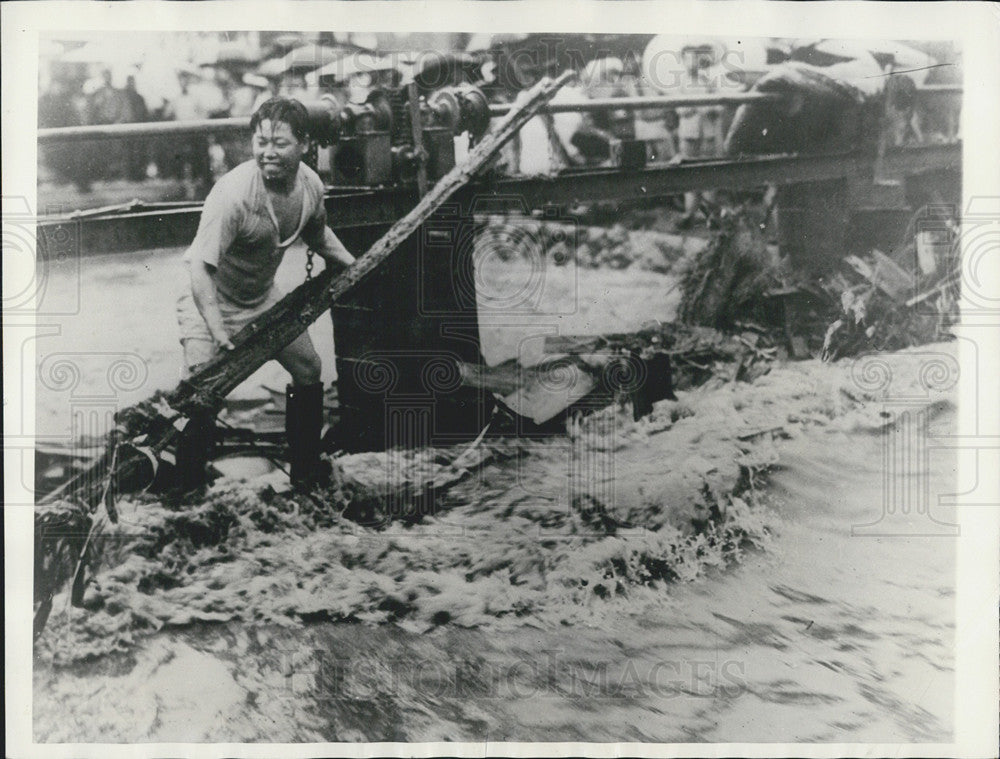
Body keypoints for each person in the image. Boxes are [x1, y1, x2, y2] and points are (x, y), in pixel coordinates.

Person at [175, 97, 357, 490]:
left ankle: (305, 472)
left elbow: (316, 232)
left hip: (261, 298)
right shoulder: (234, 194)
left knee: (309, 369)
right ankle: (187, 489)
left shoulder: (311, 185)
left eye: (280, 143)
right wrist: (218, 329)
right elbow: (199, 268)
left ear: (305, 145)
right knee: (202, 393)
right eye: (261, 142)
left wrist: (350, 262)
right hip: (210, 302)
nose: (268, 153)